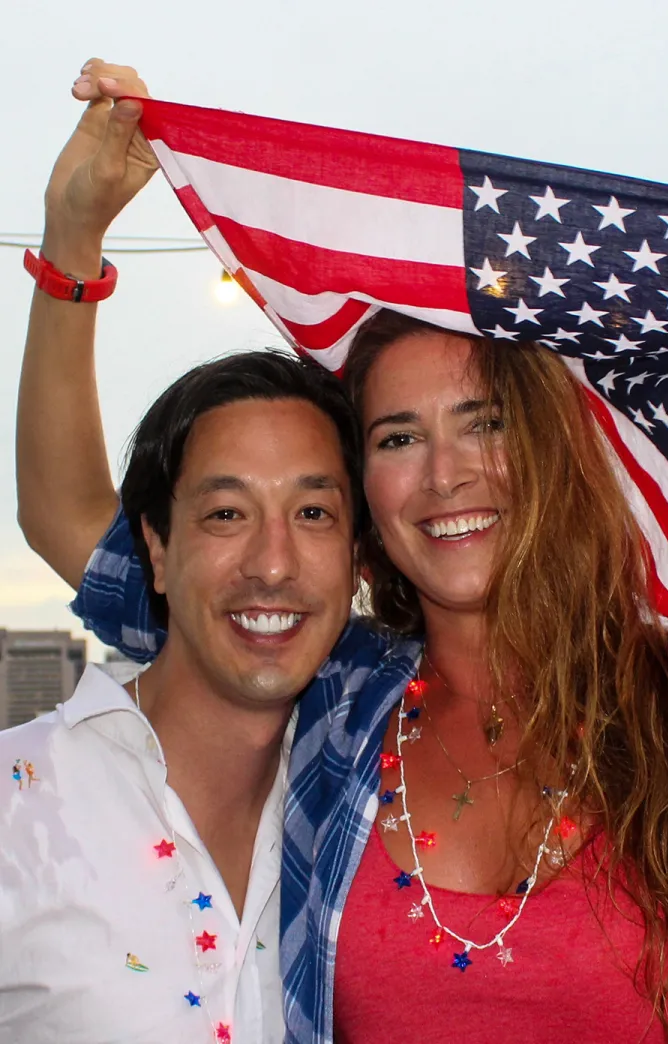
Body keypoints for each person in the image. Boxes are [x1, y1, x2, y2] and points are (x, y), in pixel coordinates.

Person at [17, 62, 668, 1044]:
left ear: (550, 450)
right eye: (397, 438)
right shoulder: (330, 702)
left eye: (485, 423)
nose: (445, 474)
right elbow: (66, 516)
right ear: (367, 501)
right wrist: (72, 242)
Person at [8, 66, 365, 1035]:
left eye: (317, 514)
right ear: (153, 553)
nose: (274, 563)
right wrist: (72, 239)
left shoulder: (380, 784)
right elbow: (60, 509)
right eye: (224, 515)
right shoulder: (19, 810)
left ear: (362, 561)